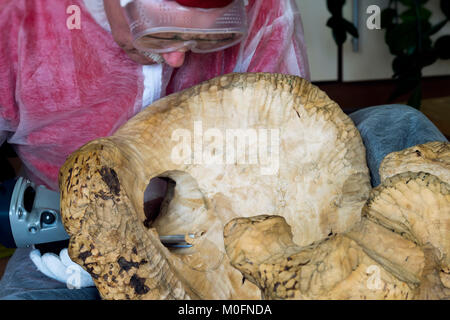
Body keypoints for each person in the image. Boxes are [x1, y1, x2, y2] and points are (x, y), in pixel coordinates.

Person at [0, 0, 447, 300]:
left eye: (210, 40)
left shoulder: (266, 10)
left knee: (396, 125)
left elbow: (288, 135)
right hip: (63, 232)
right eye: (157, 35)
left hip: (251, 204)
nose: (177, 59)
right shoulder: (20, 18)